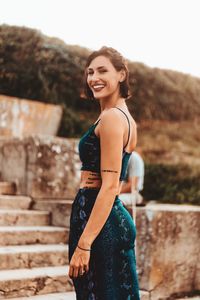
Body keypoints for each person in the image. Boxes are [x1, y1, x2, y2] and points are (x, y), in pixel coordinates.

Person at [68, 46, 140, 300]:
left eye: (102, 71)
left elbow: (110, 186)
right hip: (108, 218)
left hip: (100, 222)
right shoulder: (126, 119)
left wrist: (84, 244)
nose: (93, 78)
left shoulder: (111, 118)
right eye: (90, 72)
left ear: (121, 74)